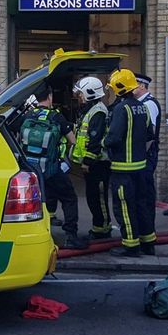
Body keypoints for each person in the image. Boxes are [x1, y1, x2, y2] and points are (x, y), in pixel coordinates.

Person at [19, 86, 88, 250]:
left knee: (36, 199)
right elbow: (72, 140)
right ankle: (70, 236)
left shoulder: (28, 116)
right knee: (69, 198)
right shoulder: (57, 117)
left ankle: (39, 234)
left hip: (31, 170)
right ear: (50, 97)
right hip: (51, 168)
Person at [104, 69, 155, 257]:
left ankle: (131, 246)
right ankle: (148, 243)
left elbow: (113, 138)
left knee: (124, 207)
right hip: (140, 168)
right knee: (142, 205)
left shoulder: (121, 109)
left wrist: (103, 142)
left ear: (118, 88)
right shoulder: (143, 107)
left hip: (122, 170)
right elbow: (150, 135)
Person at [71, 76, 112, 240]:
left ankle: (103, 229)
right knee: (92, 197)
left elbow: (95, 140)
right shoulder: (91, 110)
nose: (79, 97)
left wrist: (87, 161)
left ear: (89, 92)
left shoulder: (98, 112)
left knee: (99, 198)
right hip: (94, 163)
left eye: (81, 94)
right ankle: (97, 227)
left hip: (98, 164)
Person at [133, 73, 161, 246]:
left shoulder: (148, 104)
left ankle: (148, 232)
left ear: (142, 86)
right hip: (144, 155)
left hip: (146, 155)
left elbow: (149, 134)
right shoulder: (141, 104)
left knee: (145, 194)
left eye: (134, 84)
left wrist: (140, 153)